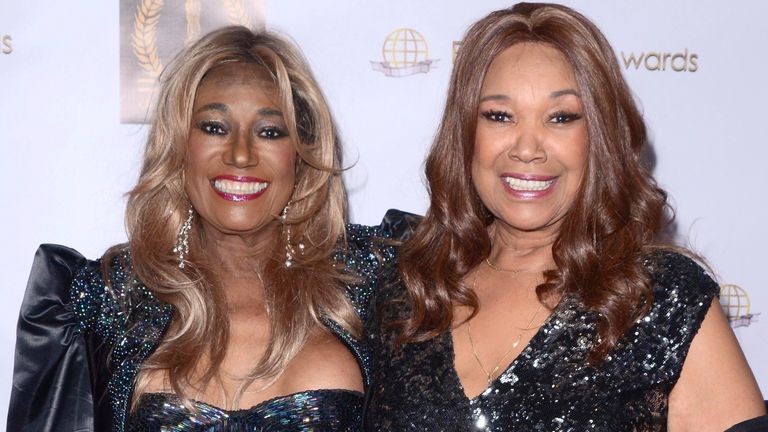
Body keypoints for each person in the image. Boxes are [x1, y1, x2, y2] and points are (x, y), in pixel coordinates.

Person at [363, 3, 768, 431]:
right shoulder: (405, 287)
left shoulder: (661, 297)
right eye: (499, 116)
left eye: (561, 118)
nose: (527, 147)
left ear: (599, 137)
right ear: (465, 133)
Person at [8, 26, 390, 431]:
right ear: (178, 145)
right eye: (214, 127)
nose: (240, 154)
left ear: (300, 155)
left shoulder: (377, 286)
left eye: (270, 132)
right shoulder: (105, 300)